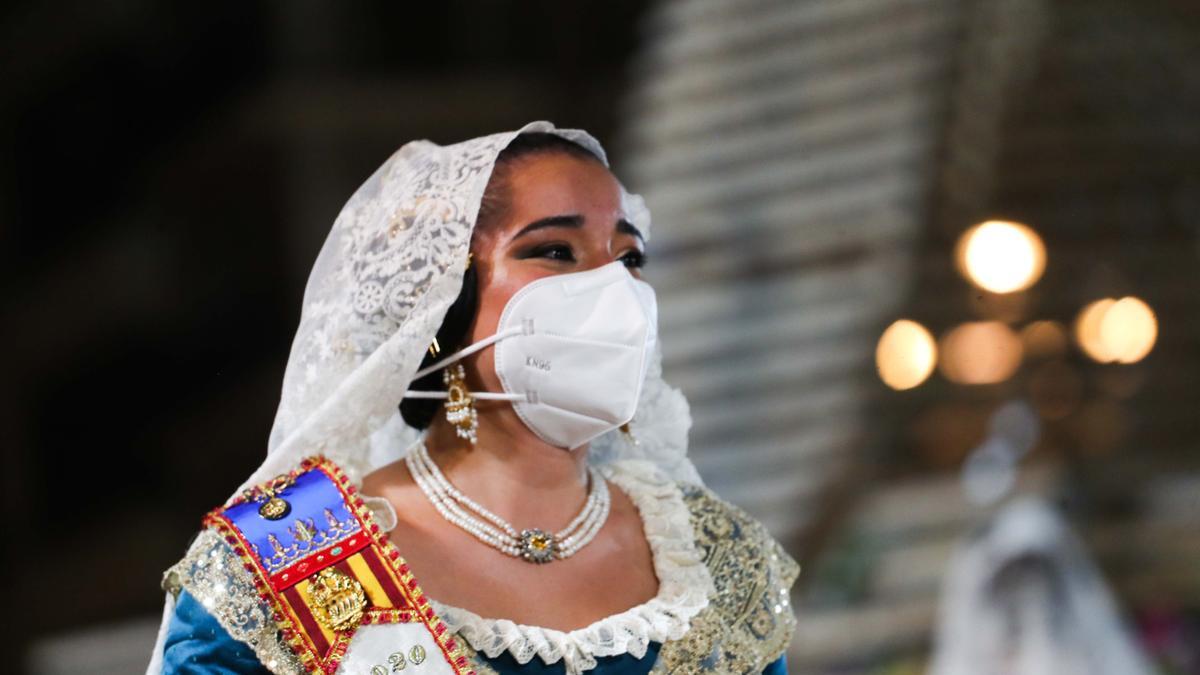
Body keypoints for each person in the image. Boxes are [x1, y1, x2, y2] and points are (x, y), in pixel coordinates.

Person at [146, 122, 799, 675]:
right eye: (554, 250)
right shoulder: (287, 555)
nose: (614, 292)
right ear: (442, 304)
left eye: (628, 258)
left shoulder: (716, 555)